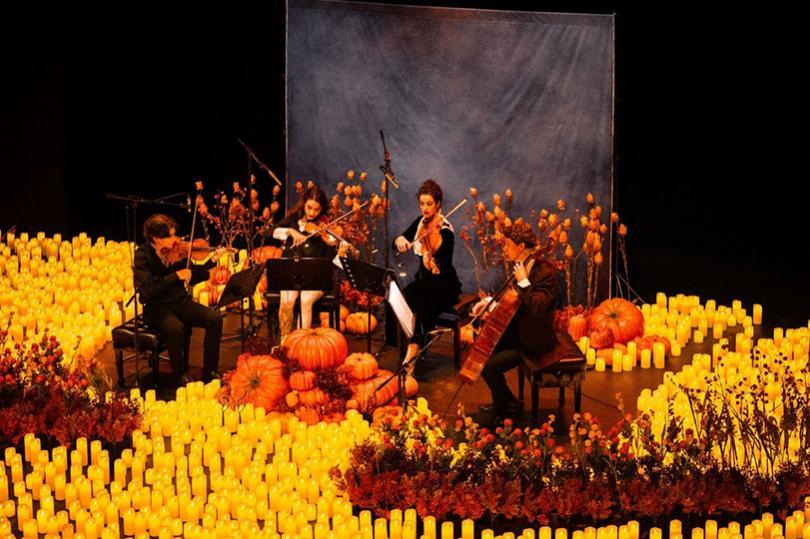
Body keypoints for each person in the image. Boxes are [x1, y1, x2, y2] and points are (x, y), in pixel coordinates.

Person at [471, 221, 559, 421]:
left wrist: (524, 282)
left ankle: (506, 406)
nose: (505, 249)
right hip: (518, 331)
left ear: (521, 247)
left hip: (533, 340)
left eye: (508, 245)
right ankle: (507, 401)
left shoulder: (545, 273)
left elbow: (538, 307)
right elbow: (513, 300)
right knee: (482, 352)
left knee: (488, 366)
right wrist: (487, 304)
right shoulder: (521, 266)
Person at [133, 214, 225, 386]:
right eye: (169, 236)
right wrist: (175, 276)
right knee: (176, 328)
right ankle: (179, 374)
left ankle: (210, 372)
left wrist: (212, 262)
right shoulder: (142, 256)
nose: (175, 240)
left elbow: (193, 274)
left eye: (175, 234)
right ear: (155, 239)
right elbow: (148, 289)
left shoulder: (176, 252)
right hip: (157, 308)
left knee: (215, 319)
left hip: (180, 302)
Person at [394, 179, 462, 373]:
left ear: (438, 204)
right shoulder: (420, 223)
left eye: (429, 204)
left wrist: (430, 256)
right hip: (424, 282)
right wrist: (400, 239)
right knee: (403, 299)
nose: (425, 208)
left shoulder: (446, 230)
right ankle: (412, 342)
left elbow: (444, 260)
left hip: (444, 285)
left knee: (423, 308)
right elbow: (400, 240)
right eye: (422, 204)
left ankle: (413, 352)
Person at [271, 185, 338, 340]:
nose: (312, 213)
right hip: (294, 275)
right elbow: (271, 232)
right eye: (309, 207)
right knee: (287, 300)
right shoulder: (293, 220)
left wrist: (338, 249)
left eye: (316, 209)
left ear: (322, 209)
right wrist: (290, 231)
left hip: (317, 278)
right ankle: (285, 342)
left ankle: (302, 344)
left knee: (305, 299)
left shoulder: (325, 226)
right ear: (304, 204)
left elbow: (333, 261)